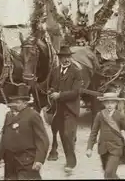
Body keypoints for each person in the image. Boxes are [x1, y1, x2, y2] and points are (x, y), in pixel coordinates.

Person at [0, 86, 50, 180]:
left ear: (25, 103)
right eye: (13, 102)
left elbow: (42, 139)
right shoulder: (9, 115)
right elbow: (4, 137)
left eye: (18, 102)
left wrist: (39, 160)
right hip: (10, 161)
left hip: (26, 160)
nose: (14, 104)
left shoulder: (33, 115)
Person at [86, 92, 125, 179]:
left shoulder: (120, 116)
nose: (110, 105)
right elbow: (93, 133)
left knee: (108, 173)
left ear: (116, 103)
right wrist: (89, 148)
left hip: (116, 148)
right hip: (103, 148)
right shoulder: (100, 115)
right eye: (107, 103)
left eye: (112, 103)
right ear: (103, 103)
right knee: (111, 175)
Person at [47, 45, 82, 174]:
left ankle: (71, 163)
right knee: (62, 135)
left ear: (70, 58)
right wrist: (51, 91)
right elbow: (52, 86)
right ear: (60, 59)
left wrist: (60, 95)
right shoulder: (55, 71)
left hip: (71, 109)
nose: (66, 60)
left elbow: (75, 92)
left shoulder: (76, 72)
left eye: (68, 57)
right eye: (63, 57)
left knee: (68, 135)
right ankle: (68, 160)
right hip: (58, 109)